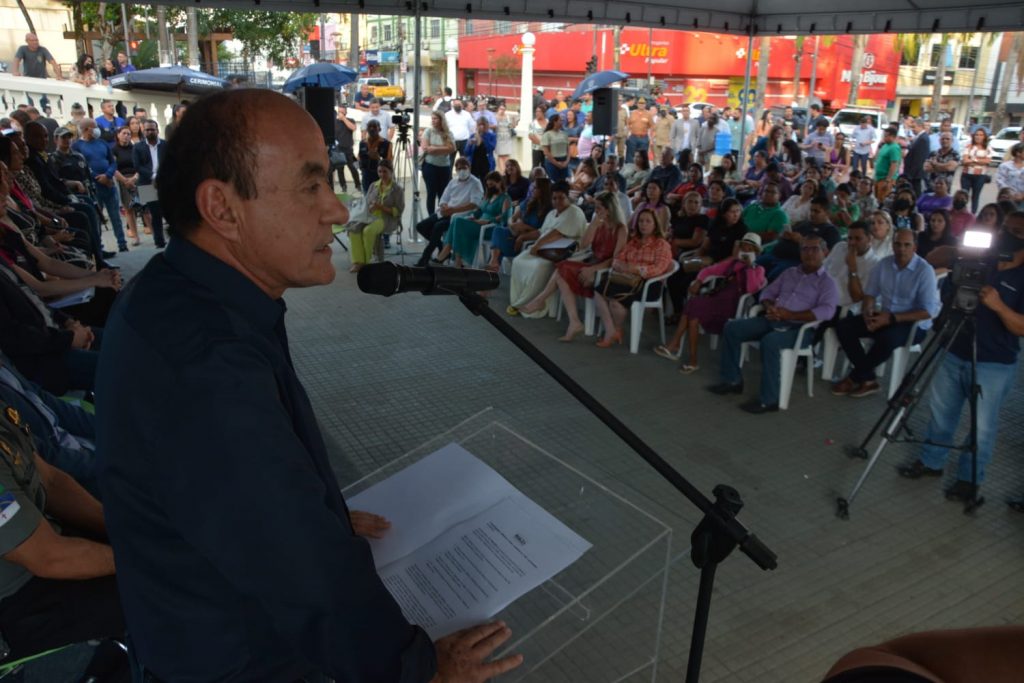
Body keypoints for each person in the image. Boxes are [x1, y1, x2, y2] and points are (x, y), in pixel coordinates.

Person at [96, 88, 523, 682]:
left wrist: (297, 511)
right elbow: (308, 580)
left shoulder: (186, 298)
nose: (337, 210)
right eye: (310, 186)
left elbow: (229, 495)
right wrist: (421, 670)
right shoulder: (204, 362)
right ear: (222, 208)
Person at [897, 211, 1024, 503]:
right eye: (1006, 229)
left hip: (994, 362)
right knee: (941, 413)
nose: (1008, 236)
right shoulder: (981, 257)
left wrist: (999, 307)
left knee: (982, 426)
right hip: (953, 347)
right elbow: (934, 257)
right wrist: (962, 250)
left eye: (1017, 232)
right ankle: (932, 462)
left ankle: (969, 480)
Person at [0, 396, 130, 680]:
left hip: (45, 541)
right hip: (19, 602)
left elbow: (51, 480)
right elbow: (47, 558)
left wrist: (122, 529)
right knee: (161, 588)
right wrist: (141, 556)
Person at [709, 234, 839, 413]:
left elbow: (827, 311)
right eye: (804, 249)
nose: (809, 253)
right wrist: (770, 307)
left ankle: (769, 400)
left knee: (770, 342)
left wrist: (791, 314)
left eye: (814, 249)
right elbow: (767, 293)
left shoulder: (828, 283)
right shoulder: (790, 273)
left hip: (800, 329)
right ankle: (732, 380)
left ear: (825, 252)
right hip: (773, 318)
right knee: (732, 328)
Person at [831, 229, 940, 397]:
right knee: (844, 326)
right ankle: (868, 379)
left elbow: (928, 311)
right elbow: (870, 294)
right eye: (897, 244)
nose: (901, 249)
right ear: (892, 245)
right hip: (886, 315)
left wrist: (891, 318)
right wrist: (868, 312)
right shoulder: (884, 264)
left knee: (886, 338)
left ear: (915, 247)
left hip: (913, 323)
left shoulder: (924, 271)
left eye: (906, 245)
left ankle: (854, 377)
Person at [656, 232, 766, 372]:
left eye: (750, 249)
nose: (745, 251)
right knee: (693, 310)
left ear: (756, 252)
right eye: (744, 247)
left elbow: (751, 288)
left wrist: (749, 267)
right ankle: (689, 357)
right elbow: (709, 270)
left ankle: (677, 346)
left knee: (693, 307)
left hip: (734, 305)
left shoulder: (758, 270)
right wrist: (699, 281)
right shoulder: (733, 263)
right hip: (718, 299)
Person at [538, 192, 628, 341]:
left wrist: (593, 269)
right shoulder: (598, 223)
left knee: (562, 272)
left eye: (599, 208)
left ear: (609, 209)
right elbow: (584, 244)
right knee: (561, 269)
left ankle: (544, 303)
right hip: (592, 262)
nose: (596, 211)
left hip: (605, 270)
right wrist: (593, 225)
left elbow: (615, 259)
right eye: (595, 207)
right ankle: (573, 321)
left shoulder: (621, 229)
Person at [591, 208, 674, 348]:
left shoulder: (661, 244)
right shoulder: (633, 242)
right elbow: (618, 259)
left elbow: (659, 268)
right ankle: (611, 329)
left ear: (655, 224)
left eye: (648, 221)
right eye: (641, 221)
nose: (644, 224)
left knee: (615, 301)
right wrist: (620, 266)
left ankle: (615, 330)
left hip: (648, 284)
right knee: (598, 291)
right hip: (626, 279)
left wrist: (634, 269)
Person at [506, 181, 587, 318]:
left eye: (561, 198)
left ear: (568, 197)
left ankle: (530, 304)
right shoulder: (551, 213)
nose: (557, 201)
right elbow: (540, 232)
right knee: (518, 261)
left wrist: (537, 246)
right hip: (541, 249)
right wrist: (523, 238)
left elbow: (557, 233)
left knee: (538, 267)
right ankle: (517, 301)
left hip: (560, 254)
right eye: (554, 198)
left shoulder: (574, 212)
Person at [73, 118, 128, 252]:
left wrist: (108, 175)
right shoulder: (77, 146)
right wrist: (98, 178)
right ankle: (100, 247)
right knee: (96, 218)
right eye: (94, 127)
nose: (98, 129)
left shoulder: (102, 143)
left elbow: (112, 162)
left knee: (115, 216)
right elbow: (80, 166)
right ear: (86, 129)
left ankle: (122, 243)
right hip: (93, 186)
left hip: (109, 184)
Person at [415, 157, 483, 266]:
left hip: (459, 215)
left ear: (469, 168)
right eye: (459, 169)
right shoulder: (453, 181)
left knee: (437, 227)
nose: (462, 171)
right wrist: (444, 206)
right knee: (420, 226)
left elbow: (474, 204)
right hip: (445, 212)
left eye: (464, 168)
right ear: (455, 170)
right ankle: (443, 247)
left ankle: (425, 257)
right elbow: (444, 198)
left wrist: (453, 210)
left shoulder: (475, 183)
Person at [436, 170, 509, 267]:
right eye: (488, 185)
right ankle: (457, 260)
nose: (489, 187)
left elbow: (505, 218)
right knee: (457, 220)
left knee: (458, 222)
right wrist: (471, 216)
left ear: (499, 182)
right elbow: (479, 211)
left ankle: (449, 256)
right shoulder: (488, 196)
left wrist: (487, 221)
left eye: (492, 184)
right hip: (478, 223)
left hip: (490, 228)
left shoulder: (505, 198)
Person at [759, 197, 841, 281]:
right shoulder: (803, 223)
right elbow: (786, 235)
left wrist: (801, 240)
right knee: (751, 267)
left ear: (827, 213)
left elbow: (828, 257)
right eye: (811, 210)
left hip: (794, 261)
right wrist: (785, 235)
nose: (812, 214)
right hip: (775, 254)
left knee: (770, 278)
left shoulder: (831, 231)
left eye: (816, 211)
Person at [345, 159, 404, 272]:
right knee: (353, 229)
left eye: (385, 171)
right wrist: (369, 208)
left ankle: (367, 262)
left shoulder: (397, 189)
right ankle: (358, 261)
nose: (382, 174)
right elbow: (366, 203)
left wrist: (380, 207)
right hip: (369, 216)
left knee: (368, 231)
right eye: (380, 171)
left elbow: (398, 211)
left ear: (391, 172)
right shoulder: (373, 185)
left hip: (387, 219)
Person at [486, 176, 552, 271]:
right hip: (515, 234)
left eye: (535, 187)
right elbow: (512, 218)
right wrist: (512, 224)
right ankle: (494, 262)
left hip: (529, 240)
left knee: (498, 243)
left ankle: (493, 263)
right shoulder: (528, 202)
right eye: (532, 187)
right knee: (498, 230)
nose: (532, 189)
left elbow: (544, 231)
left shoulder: (549, 210)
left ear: (543, 190)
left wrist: (525, 229)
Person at [132, 119, 167, 248]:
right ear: (143, 131)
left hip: (164, 181)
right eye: (147, 129)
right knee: (154, 213)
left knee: (168, 211)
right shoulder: (137, 147)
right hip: (146, 183)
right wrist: (153, 176)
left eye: (152, 129)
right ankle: (159, 241)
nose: (150, 132)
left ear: (157, 130)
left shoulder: (165, 145)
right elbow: (137, 166)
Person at [419, 111, 454, 215]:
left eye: (435, 118)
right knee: (431, 193)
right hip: (430, 166)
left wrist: (434, 148)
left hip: (444, 167)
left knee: (443, 193)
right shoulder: (428, 131)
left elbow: (452, 148)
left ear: (441, 120)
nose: (433, 121)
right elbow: (426, 148)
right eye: (432, 118)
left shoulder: (448, 133)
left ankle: (440, 215)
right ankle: (431, 216)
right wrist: (444, 149)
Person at [111, 126, 140, 246]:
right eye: (124, 133)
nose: (126, 136)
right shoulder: (113, 150)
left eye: (128, 134)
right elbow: (113, 168)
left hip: (138, 178)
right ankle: (136, 237)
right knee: (129, 209)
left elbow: (141, 164)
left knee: (147, 208)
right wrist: (125, 181)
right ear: (118, 135)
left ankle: (155, 234)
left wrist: (134, 178)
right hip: (123, 180)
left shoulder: (135, 148)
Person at [328, 104, 360, 193]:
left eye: (342, 111)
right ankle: (343, 187)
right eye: (339, 112)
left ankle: (358, 185)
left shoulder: (350, 120)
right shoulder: (334, 122)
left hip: (349, 149)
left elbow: (353, 128)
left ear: (346, 112)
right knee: (340, 170)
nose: (341, 113)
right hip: (338, 150)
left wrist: (344, 119)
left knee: (353, 168)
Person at [357, 119, 391, 194]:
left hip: (380, 176)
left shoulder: (386, 143)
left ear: (379, 129)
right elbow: (359, 157)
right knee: (367, 198)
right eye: (369, 126)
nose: (372, 129)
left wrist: (378, 158)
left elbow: (389, 161)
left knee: (379, 199)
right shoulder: (362, 143)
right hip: (366, 175)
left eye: (374, 126)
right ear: (367, 129)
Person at [463, 117, 497, 184]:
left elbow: (490, 148)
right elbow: (466, 152)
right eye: (479, 125)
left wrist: (482, 138)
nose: (482, 127)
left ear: (487, 125)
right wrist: (469, 144)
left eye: (483, 125)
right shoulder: (472, 136)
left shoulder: (492, 136)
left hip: (486, 164)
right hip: (474, 164)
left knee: (486, 184)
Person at [902, 118, 930, 197]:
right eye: (911, 127)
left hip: (915, 173)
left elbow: (919, 159)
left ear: (920, 126)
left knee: (915, 192)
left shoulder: (923, 139)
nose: (912, 130)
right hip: (912, 172)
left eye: (914, 127)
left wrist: (911, 174)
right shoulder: (919, 137)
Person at [873, 126, 902, 202]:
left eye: (886, 136)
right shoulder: (885, 145)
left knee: (882, 200)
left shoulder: (894, 148)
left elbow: (894, 164)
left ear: (893, 136)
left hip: (885, 179)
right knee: (876, 199)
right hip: (878, 177)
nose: (884, 137)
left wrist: (888, 180)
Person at [540, 115, 570, 183]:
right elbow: (546, 152)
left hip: (564, 160)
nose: (562, 122)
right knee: (554, 183)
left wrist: (566, 162)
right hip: (552, 162)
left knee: (563, 182)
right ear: (554, 122)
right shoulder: (547, 134)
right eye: (560, 120)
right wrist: (557, 163)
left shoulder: (564, 134)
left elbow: (568, 149)